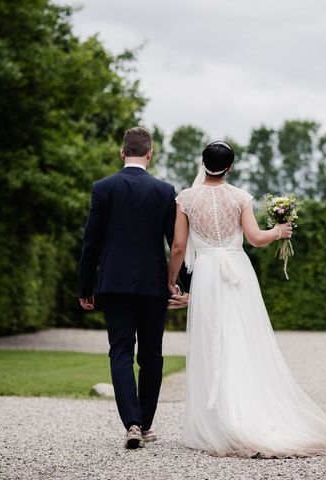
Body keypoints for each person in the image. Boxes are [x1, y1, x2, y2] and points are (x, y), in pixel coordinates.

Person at [167, 141, 326, 458]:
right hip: (237, 271)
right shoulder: (239, 197)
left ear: (202, 163)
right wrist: (279, 231)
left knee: (211, 341)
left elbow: (178, 248)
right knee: (241, 339)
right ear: (230, 167)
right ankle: (249, 413)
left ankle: (219, 420)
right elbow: (255, 239)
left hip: (207, 272)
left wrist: (170, 281)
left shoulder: (186, 198)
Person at [78, 127, 189, 449]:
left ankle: (132, 422)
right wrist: (177, 283)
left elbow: (91, 242)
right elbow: (176, 243)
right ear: (150, 154)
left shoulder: (103, 188)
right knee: (152, 354)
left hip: (113, 283)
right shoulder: (164, 190)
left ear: (121, 152)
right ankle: (147, 424)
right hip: (153, 284)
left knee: (121, 352)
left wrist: (86, 286)